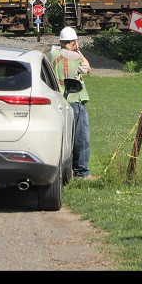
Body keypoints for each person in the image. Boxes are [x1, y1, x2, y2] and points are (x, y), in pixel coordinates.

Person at [50, 26, 93, 179]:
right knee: (80, 138)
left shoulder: (52, 54)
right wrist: (79, 51)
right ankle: (81, 171)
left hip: (58, 101)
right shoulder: (76, 57)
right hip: (75, 101)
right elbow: (88, 68)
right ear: (74, 42)